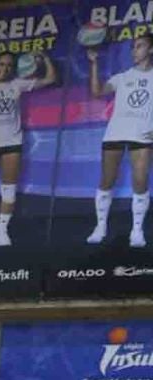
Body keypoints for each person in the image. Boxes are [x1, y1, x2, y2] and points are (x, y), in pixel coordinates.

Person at [0, 51, 56, 248]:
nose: (5, 68)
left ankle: (2, 231)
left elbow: (50, 79)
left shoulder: (17, 84)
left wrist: (45, 59)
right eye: (1, 64)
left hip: (11, 141)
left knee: (9, 188)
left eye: (9, 65)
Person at [88, 34, 153, 247]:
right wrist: (94, 63)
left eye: (140, 46)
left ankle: (137, 231)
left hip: (141, 135)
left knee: (140, 181)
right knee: (107, 180)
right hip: (115, 133)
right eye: (133, 46)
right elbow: (97, 91)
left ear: (150, 50)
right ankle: (100, 227)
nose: (134, 50)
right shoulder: (123, 77)